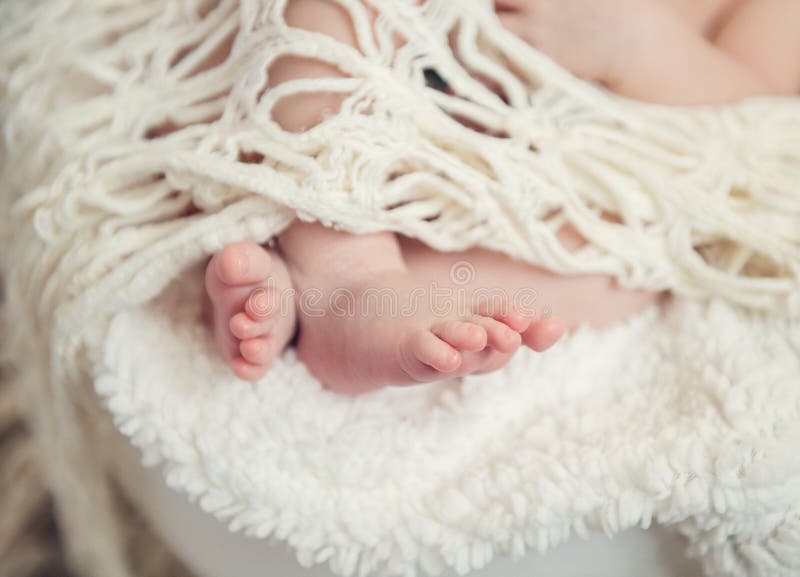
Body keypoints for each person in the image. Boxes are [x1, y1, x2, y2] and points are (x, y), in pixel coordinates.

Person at [205, 0, 799, 394]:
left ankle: (344, 301)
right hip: (417, 90)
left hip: (568, 177)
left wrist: (637, 49)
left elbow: (762, 131)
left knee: (624, 256)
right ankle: (343, 267)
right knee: (328, 17)